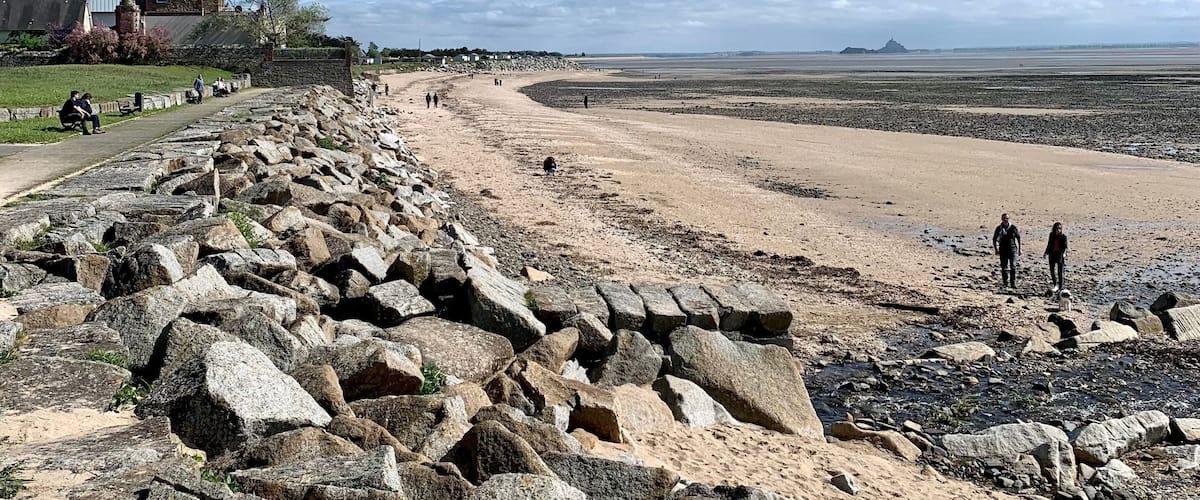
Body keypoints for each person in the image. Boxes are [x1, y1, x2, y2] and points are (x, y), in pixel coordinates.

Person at [992, 213, 1022, 288]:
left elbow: (1018, 238)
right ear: (1001, 219)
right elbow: (994, 239)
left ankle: (1013, 283)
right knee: (1004, 267)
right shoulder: (999, 228)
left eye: (1007, 218)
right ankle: (1005, 282)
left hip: (1012, 249)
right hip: (1003, 250)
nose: (1005, 220)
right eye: (1004, 218)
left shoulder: (1013, 227)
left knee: (1013, 266)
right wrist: (996, 249)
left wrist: (1020, 249)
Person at [1044, 222, 1068, 292]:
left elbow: (1066, 247)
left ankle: (1061, 287)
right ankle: (1055, 285)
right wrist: (1045, 252)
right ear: (1054, 229)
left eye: (1059, 228)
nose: (1058, 230)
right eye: (1056, 228)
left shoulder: (1064, 236)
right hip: (1052, 254)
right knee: (1052, 271)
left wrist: (1064, 253)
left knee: (1060, 272)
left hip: (1060, 255)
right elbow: (1049, 244)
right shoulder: (1051, 235)